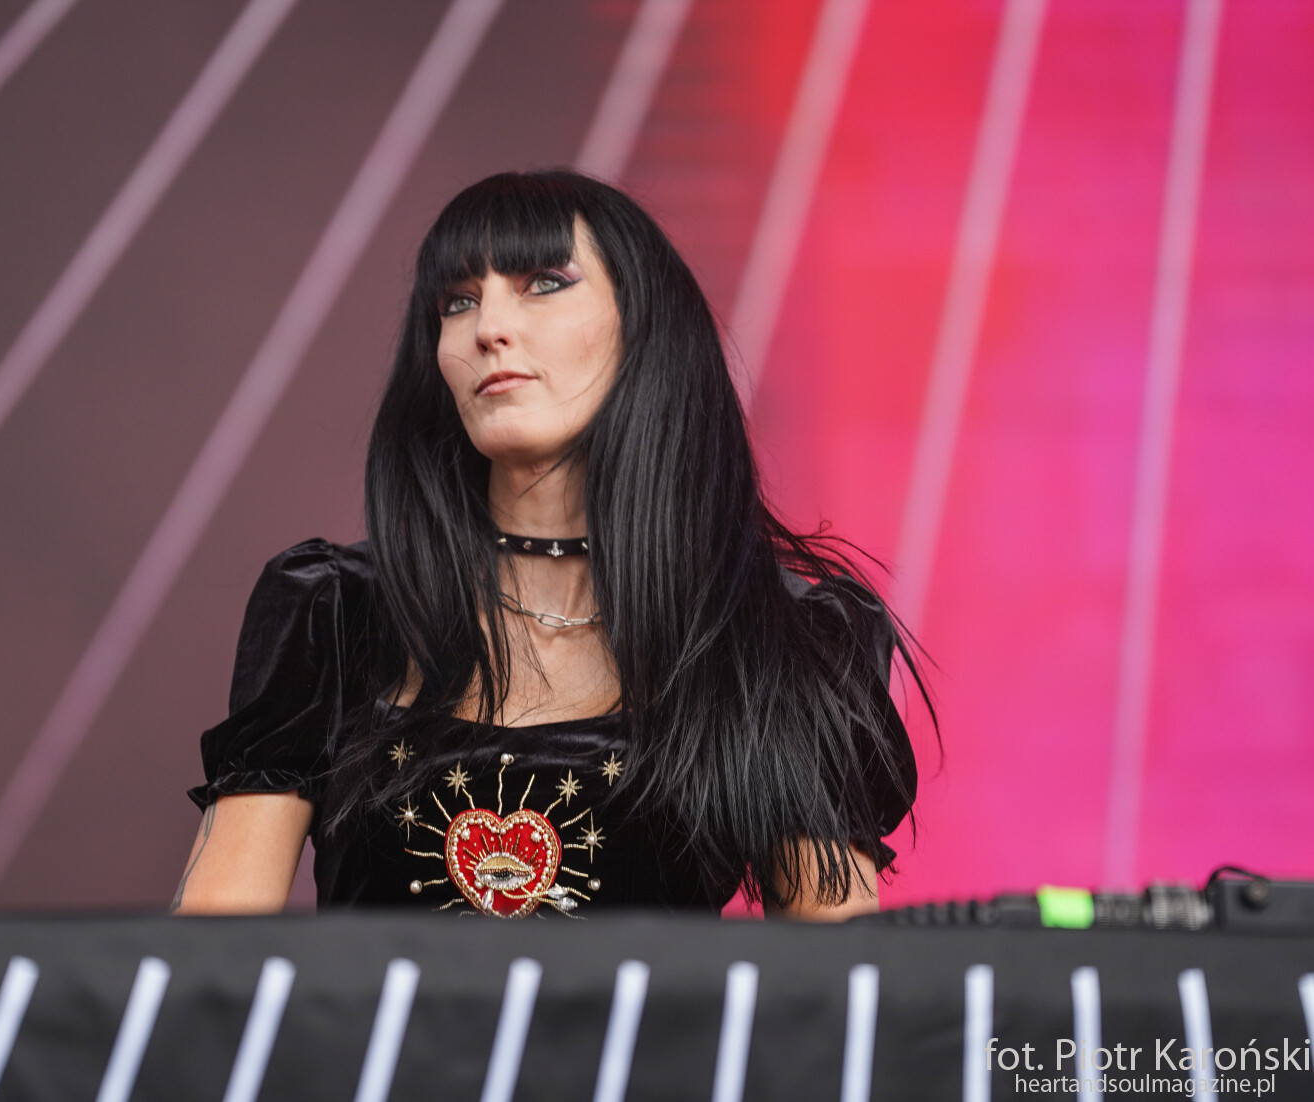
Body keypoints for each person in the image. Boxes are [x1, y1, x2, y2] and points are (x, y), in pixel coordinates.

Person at [173, 170, 925, 920]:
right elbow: (207, 958)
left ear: (645, 325)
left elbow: (834, 973)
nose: (487, 328)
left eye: (543, 283)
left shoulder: (778, 633)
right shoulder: (335, 611)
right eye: (457, 302)